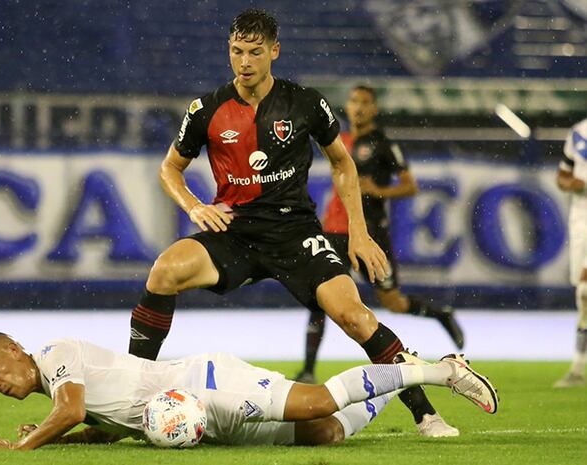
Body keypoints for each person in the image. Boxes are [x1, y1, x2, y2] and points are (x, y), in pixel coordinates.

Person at [126, 9, 458, 437]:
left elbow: (342, 163)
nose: (245, 61)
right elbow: (170, 168)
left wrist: (359, 232)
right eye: (237, 51)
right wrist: (194, 207)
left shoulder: (304, 103)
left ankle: (426, 415)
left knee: (355, 316)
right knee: (164, 271)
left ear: (275, 51)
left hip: (295, 232)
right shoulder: (206, 109)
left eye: (255, 52)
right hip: (236, 232)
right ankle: (129, 397)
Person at [0, 332, 498, 450]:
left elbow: (72, 410)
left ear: (13, 349)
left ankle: (443, 372)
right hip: (193, 417)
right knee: (327, 432)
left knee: (316, 400)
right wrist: (56, 439)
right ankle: (390, 382)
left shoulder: (56, 355)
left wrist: (17, 449)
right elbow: (103, 428)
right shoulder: (59, 392)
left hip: (202, 384)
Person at [295, 85, 465, 385]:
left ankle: (441, 314)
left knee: (392, 301)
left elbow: (410, 186)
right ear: (347, 107)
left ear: (374, 109)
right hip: (335, 233)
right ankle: (308, 370)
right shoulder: (338, 140)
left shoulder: (384, 144)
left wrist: (379, 190)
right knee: (321, 296)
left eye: (364, 102)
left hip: (369, 234)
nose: (358, 107)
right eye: (353, 101)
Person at [553, 117, 587, 388]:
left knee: (585, 291)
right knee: (582, 295)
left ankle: (577, 366)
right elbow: (562, 175)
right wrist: (570, 183)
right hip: (580, 220)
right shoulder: (578, 132)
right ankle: (578, 367)